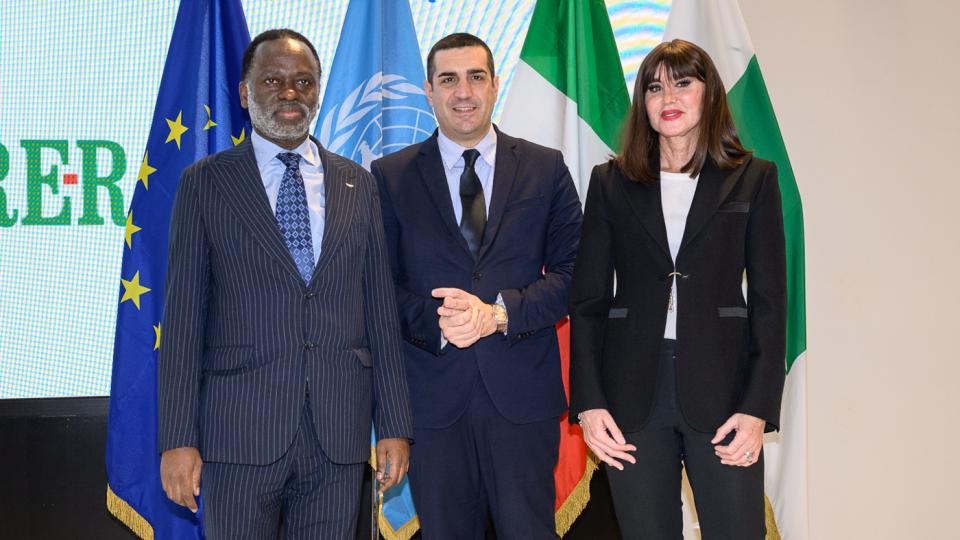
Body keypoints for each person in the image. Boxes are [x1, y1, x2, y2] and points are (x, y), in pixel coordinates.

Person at [157, 29, 412, 539]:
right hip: (238, 434)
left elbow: (381, 313)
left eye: (304, 81)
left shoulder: (358, 184)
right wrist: (178, 438)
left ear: (317, 91)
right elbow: (183, 319)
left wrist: (394, 425)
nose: (290, 92)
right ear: (245, 92)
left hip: (338, 434)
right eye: (272, 80)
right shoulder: (205, 183)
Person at [569, 39, 787, 539]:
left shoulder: (753, 178)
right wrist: (589, 403)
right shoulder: (610, 181)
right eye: (654, 87)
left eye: (683, 83)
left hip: (726, 392)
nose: (668, 97)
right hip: (630, 396)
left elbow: (771, 304)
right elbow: (587, 303)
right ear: (642, 103)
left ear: (709, 94)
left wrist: (757, 407)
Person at [371, 33, 582, 539]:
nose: (463, 91)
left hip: (521, 399)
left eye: (475, 77)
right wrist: (441, 323)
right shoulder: (389, 176)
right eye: (448, 79)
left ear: (494, 84)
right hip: (433, 404)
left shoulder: (545, 168)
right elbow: (377, 286)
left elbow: (575, 274)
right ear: (429, 90)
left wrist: (498, 314)